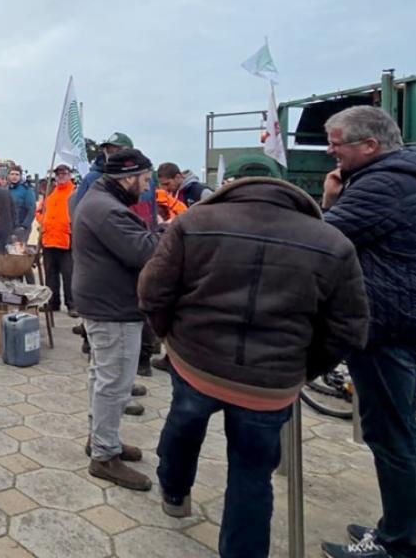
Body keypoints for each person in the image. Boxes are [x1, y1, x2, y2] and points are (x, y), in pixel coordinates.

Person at [139, 177, 369, 557]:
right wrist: (302, 369)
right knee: (252, 474)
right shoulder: (332, 242)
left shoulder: (194, 224)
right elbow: (348, 326)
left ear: (236, 184)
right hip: (270, 382)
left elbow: (152, 291)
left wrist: (170, 338)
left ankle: (175, 489)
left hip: (197, 362)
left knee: (183, 425)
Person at [317, 106, 416, 558]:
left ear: (370, 146)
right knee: (405, 435)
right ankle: (412, 532)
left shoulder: (384, 184)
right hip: (408, 321)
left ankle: (398, 545)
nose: (330, 152)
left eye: (336, 143)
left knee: (391, 438)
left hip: (387, 326)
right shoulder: (408, 176)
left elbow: (324, 240)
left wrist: (327, 200)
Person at [71, 148, 160, 491]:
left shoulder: (98, 200)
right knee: (115, 382)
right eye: (145, 179)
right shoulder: (107, 210)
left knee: (102, 377)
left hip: (103, 302)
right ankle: (105, 456)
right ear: (128, 178)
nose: (147, 186)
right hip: (113, 308)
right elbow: (146, 252)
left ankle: (101, 439)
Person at [36, 163, 76, 315]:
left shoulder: (74, 192)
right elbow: (39, 211)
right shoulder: (50, 193)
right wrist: (44, 221)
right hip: (49, 240)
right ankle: (52, 303)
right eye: (58, 173)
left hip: (66, 240)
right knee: (50, 275)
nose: (61, 176)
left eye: (64, 173)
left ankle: (72, 305)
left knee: (68, 275)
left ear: (69, 175)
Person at [7, 167, 37, 237]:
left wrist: (24, 226)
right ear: (8, 176)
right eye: (12, 174)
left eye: (17, 174)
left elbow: (32, 209)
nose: (14, 176)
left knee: (18, 247)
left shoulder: (27, 190)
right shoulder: (5, 189)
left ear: (20, 176)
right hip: (7, 227)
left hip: (21, 227)